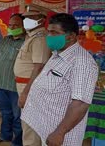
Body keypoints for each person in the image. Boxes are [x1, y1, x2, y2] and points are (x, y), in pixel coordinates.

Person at [21, 13, 98, 146]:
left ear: (72, 36)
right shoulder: (57, 53)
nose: (49, 36)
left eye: (54, 33)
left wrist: (60, 133)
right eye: (49, 32)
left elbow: (80, 104)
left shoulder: (82, 63)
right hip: (45, 125)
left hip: (60, 135)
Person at [13, 5, 50, 146]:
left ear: (41, 20)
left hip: (30, 86)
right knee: (28, 123)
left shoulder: (40, 38)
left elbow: (38, 67)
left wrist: (26, 93)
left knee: (30, 126)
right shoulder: (32, 37)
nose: (26, 20)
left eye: (31, 17)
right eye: (26, 17)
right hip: (25, 84)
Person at [0, 14, 25, 145]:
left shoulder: (26, 42)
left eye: (16, 25)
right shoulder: (6, 39)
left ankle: (17, 141)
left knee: (17, 116)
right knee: (5, 113)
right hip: (1, 83)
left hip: (16, 86)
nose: (12, 27)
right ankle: (5, 135)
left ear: (24, 26)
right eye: (10, 25)